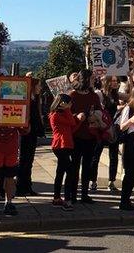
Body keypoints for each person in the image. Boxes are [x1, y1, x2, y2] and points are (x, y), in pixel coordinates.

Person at [68, 70, 103, 205]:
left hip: (90, 135)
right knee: (75, 166)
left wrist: (96, 115)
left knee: (87, 166)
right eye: (92, 79)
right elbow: (65, 113)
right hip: (76, 135)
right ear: (86, 79)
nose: (94, 81)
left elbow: (100, 109)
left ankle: (84, 193)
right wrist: (76, 116)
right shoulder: (73, 95)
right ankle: (72, 194)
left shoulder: (94, 96)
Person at [0, 111, 23, 217]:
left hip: (11, 149)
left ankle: (9, 202)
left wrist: (23, 123)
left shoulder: (18, 106)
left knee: (10, 177)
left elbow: (25, 129)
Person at [49, 94, 82, 210]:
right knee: (70, 172)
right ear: (62, 104)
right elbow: (71, 123)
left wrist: (79, 121)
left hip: (66, 145)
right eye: (69, 103)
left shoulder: (62, 114)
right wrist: (68, 111)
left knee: (60, 172)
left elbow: (71, 128)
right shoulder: (55, 115)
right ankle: (67, 200)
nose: (71, 105)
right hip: (60, 146)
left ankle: (57, 198)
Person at [93, 75, 121, 192]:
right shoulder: (99, 94)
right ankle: (93, 181)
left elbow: (129, 96)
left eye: (116, 81)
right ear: (107, 82)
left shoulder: (116, 94)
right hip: (101, 128)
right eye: (113, 81)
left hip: (113, 128)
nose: (115, 83)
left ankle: (111, 181)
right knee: (96, 155)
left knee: (113, 155)